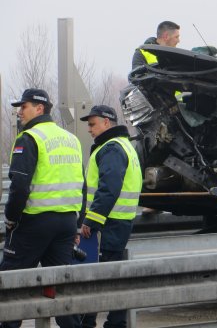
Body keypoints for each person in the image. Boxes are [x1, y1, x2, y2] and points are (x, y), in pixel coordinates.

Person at [0, 88, 84, 328]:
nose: (19, 112)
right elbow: (83, 185)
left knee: (10, 284)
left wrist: (11, 219)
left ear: (39, 108)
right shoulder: (71, 139)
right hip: (66, 223)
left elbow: (19, 186)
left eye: (23, 107)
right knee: (59, 288)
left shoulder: (29, 138)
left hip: (35, 223)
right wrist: (77, 225)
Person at [79, 105, 142, 328]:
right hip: (118, 221)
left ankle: (108, 322)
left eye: (92, 124)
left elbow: (109, 188)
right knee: (111, 273)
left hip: (109, 222)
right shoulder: (125, 146)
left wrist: (91, 220)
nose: (89, 129)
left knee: (104, 274)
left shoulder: (111, 148)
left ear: (107, 122)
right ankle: (111, 321)